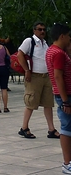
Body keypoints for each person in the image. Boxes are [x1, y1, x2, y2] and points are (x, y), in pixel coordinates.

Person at [18, 21, 59, 139]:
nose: (42, 32)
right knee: (31, 102)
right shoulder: (29, 41)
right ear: (34, 30)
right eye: (40, 29)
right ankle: (24, 127)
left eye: (44, 30)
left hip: (45, 76)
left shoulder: (45, 43)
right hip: (34, 76)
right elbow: (20, 54)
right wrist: (26, 70)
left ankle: (51, 129)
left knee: (48, 103)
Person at [45, 23, 71, 174]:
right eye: (68, 36)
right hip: (66, 95)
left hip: (63, 94)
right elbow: (58, 76)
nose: (69, 39)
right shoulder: (59, 54)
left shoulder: (52, 51)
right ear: (62, 36)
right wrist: (65, 100)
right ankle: (67, 162)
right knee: (67, 128)